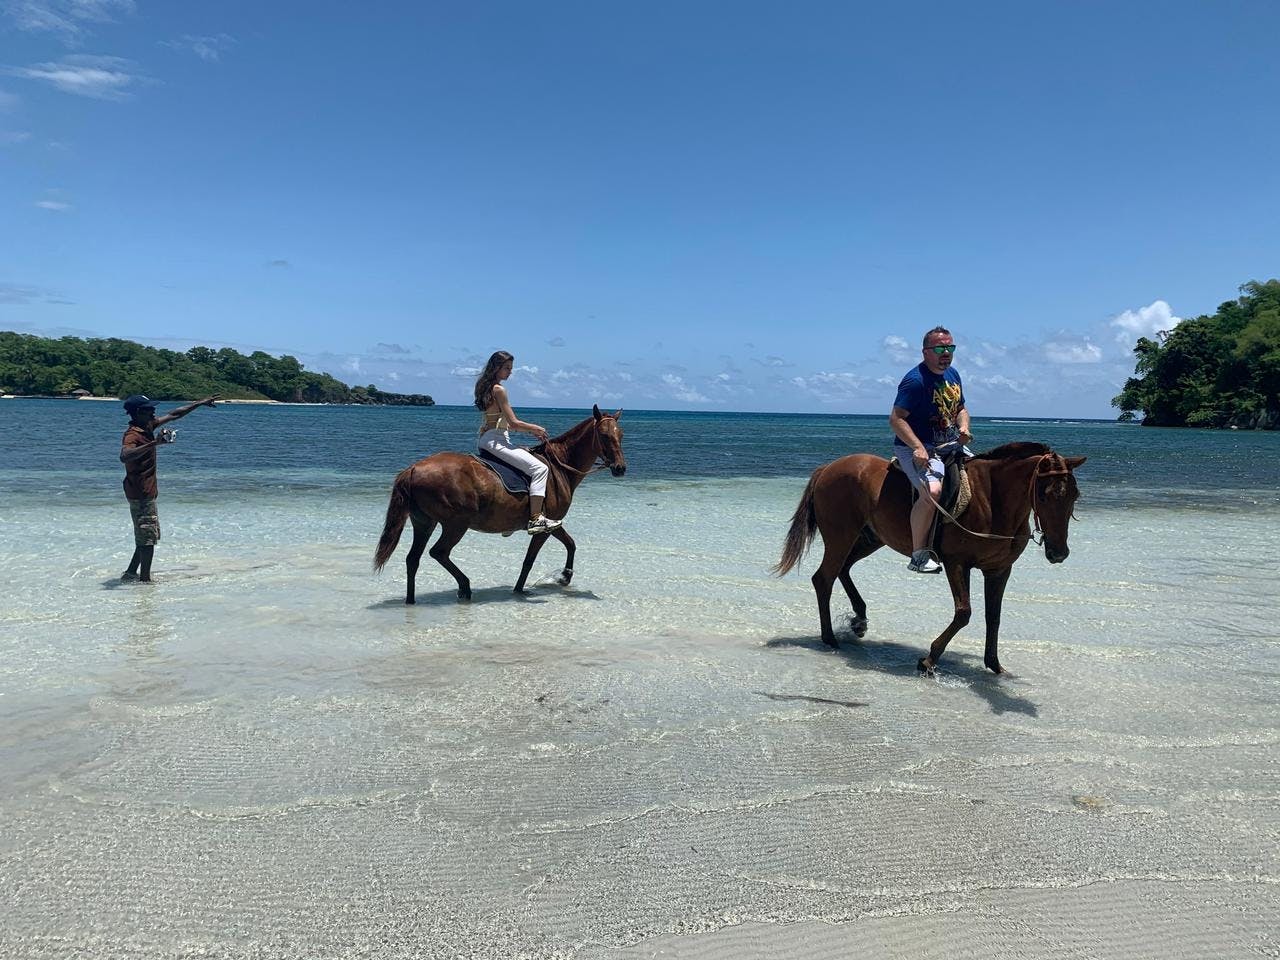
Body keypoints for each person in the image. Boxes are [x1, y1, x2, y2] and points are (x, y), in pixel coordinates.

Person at [889, 326, 972, 574]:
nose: (946, 352)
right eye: (940, 348)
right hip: (920, 449)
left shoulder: (953, 375)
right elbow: (896, 419)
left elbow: (960, 409)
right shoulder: (915, 381)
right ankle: (918, 555)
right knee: (932, 491)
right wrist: (917, 447)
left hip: (949, 445)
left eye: (950, 347)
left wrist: (964, 428)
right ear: (926, 352)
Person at [119, 393, 219, 582]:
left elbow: (175, 414)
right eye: (150, 409)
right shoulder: (132, 435)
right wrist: (154, 443)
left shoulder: (147, 426)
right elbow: (124, 455)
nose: (154, 412)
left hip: (145, 492)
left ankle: (131, 572)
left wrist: (200, 403)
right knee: (148, 538)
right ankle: (145, 583)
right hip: (140, 493)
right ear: (139, 412)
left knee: (146, 534)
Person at [473, 351, 562, 535]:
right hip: (495, 441)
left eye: (510, 368)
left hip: (488, 440)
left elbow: (502, 423)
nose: (510, 372)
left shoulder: (485, 387)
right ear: (496, 367)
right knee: (540, 469)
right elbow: (513, 423)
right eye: (507, 368)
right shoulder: (499, 390)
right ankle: (536, 518)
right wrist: (534, 428)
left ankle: (510, 517)